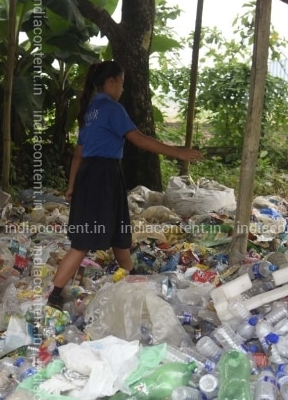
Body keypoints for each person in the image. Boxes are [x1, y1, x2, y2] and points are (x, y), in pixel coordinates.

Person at [47, 61, 203, 309]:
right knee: (84, 241)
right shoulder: (112, 108)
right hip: (102, 176)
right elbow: (138, 139)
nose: (122, 88)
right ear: (111, 82)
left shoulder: (91, 109)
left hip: (92, 175)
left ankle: (130, 274)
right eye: (121, 83)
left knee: (119, 231)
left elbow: (79, 154)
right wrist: (178, 152)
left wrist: (72, 184)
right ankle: (54, 294)